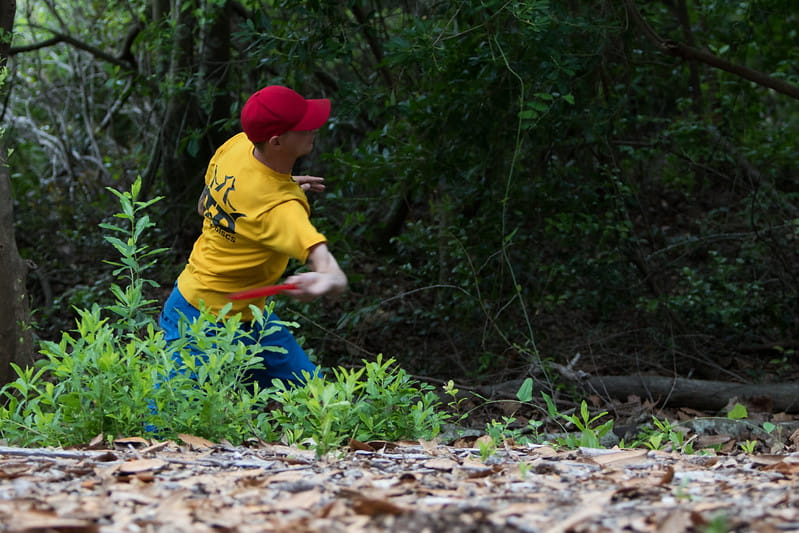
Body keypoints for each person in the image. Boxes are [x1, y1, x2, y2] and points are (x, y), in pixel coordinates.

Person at [159, 85, 347, 389]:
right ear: (276, 141)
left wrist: (280, 184)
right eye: (303, 127)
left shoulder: (237, 147)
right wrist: (328, 280)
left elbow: (204, 205)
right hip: (196, 321)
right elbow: (332, 273)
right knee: (169, 427)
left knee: (317, 400)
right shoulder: (281, 209)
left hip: (244, 316)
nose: (314, 128)